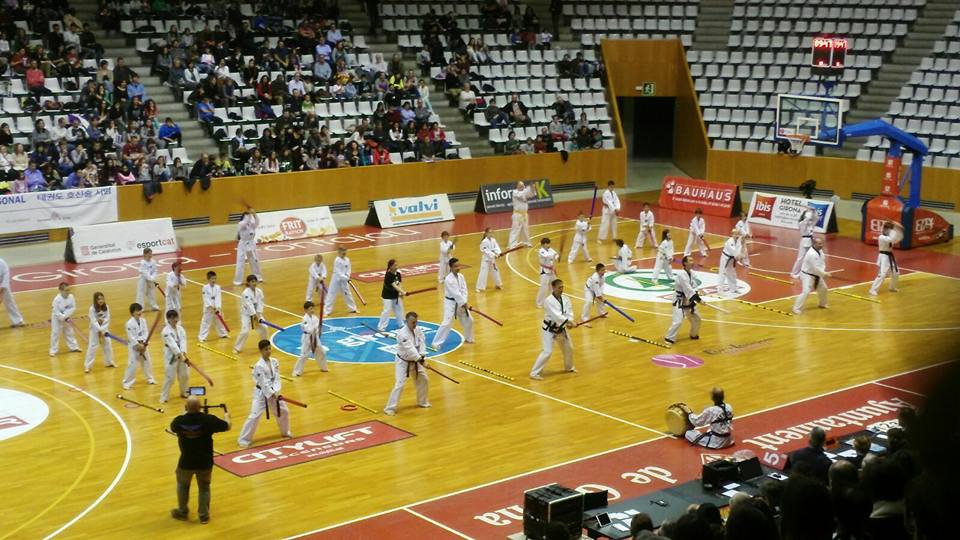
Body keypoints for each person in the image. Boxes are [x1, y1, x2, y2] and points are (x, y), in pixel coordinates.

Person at [169, 396, 231, 524]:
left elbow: (173, 427)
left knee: (182, 485)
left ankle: (182, 511)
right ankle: (203, 516)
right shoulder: (208, 420)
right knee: (204, 488)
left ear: (186, 407)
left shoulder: (179, 421)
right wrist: (227, 416)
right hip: (205, 462)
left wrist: (185, 412)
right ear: (200, 407)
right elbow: (227, 426)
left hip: (186, 462)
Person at [237, 340, 292, 447]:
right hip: (261, 394)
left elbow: (276, 378)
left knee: (284, 411)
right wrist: (271, 393)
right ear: (261, 351)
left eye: (269, 348)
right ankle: (243, 439)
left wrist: (276, 390)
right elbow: (263, 382)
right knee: (254, 415)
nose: (268, 351)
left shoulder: (275, 361)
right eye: (266, 349)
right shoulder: (258, 366)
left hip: (273, 391)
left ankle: (285, 432)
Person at [384, 311, 430, 415]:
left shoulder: (418, 330)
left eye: (416, 322)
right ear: (407, 321)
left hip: (416, 361)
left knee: (424, 379)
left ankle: (422, 402)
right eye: (413, 322)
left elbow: (422, 342)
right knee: (399, 384)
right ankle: (389, 408)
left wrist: (422, 355)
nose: (415, 325)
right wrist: (421, 361)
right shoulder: (402, 334)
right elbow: (410, 350)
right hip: (403, 362)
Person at [530, 279, 576, 380]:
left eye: (562, 287)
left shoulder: (566, 299)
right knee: (547, 351)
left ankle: (569, 367)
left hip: (561, 328)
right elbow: (557, 316)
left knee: (569, 348)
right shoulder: (548, 301)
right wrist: (568, 322)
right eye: (559, 287)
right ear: (553, 288)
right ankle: (534, 373)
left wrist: (570, 321)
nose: (561, 289)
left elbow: (569, 311)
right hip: (549, 329)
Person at [433, 258, 474, 347]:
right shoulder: (448, 279)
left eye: (459, 265)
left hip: (461, 302)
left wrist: (464, 301)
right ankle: (436, 343)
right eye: (455, 266)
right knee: (447, 323)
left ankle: (468, 338)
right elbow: (455, 293)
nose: (458, 268)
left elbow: (464, 290)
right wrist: (463, 303)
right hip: (450, 303)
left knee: (469, 320)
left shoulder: (461, 276)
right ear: (450, 267)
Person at [664, 256, 702, 345]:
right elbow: (687, 288)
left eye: (693, 260)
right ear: (685, 263)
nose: (693, 262)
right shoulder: (681, 275)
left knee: (697, 319)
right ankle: (669, 338)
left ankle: (693, 334)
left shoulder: (692, 273)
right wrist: (698, 299)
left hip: (689, 299)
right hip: (680, 300)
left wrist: (697, 296)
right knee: (678, 321)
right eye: (690, 260)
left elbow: (694, 286)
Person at [792, 237, 832, 315]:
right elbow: (815, 268)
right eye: (819, 244)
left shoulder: (820, 251)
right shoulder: (811, 254)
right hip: (807, 275)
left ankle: (822, 304)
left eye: (822, 243)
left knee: (823, 288)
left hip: (816, 274)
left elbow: (821, 263)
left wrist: (823, 272)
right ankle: (795, 308)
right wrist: (824, 274)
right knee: (806, 291)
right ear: (814, 244)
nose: (821, 245)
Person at [123, 302, 157, 389]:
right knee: (132, 365)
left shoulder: (143, 321)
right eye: (137, 311)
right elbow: (131, 337)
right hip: (134, 347)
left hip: (143, 345)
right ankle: (127, 383)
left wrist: (145, 344)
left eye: (140, 310)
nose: (139, 312)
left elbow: (146, 333)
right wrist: (138, 345)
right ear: (132, 313)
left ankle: (150, 378)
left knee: (147, 362)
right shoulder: (129, 323)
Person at [160, 309, 189, 404]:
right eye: (172, 318)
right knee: (170, 378)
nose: (174, 319)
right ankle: (164, 397)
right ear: (168, 319)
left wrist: (184, 353)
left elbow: (183, 341)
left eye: (176, 317)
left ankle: (184, 392)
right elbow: (172, 345)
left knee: (184, 375)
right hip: (171, 357)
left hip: (182, 356)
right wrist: (180, 354)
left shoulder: (181, 329)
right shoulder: (165, 331)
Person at [234, 274, 267, 353]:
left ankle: (264, 346)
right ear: (248, 283)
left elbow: (260, 303)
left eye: (255, 281)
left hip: (257, 314)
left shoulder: (259, 291)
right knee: (245, 331)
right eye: (252, 282)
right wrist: (254, 315)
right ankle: (236, 348)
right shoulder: (245, 293)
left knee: (264, 327)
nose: (254, 283)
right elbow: (249, 305)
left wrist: (258, 314)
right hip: (246, 315)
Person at [869, 221, 903, 296]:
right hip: (883, 257)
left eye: (890, 229)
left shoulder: (891, 235)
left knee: (896, 273)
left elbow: (899, 238)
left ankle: (892, 287)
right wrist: (896, 229)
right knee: (882, 274)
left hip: (890, 256)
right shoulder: (881, 237)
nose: (889, 231)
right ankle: (872, 290)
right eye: (889, 229)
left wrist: (899, 228)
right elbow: (890, 239)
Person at [84, 292, 116, 372]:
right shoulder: (92, 309)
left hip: (104, 329)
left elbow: (107, 319)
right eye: (99, 299)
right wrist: (99, 330)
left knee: (108, 345)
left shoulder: (106, 307)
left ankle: (109, 362)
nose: (101, 300)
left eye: (102, 298)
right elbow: (94, 321)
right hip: (94, 330)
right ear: (95, 300)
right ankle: (88, 366)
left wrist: (103, 329)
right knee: (93, 347)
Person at [293, 301, 326, 376]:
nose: (312, 310)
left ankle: (323, 367)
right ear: (306, 310)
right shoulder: (304, 319)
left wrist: (319, 329)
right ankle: (297, 372)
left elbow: (317, 328)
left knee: (321, 352)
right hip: (307, 338)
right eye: (310, 309)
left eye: (313, 308)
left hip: (315, 337)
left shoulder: (315, 318)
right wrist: (315, 329)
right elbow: (308, 329)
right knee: (304, 355)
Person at [375, 259, 407, 331]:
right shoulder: (388, 275)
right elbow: (394, 286)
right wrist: (402, 292)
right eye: (395, 265)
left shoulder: (398, 274)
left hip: (395, 295)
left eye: (397, 265)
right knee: (387, 310)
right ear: (390, 266)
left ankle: (401, 324)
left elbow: (399, 284)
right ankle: (381, 326)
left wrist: (400, 292)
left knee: (399, 309)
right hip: (387, 296)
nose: (397, 267)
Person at [324, 247, 358, 315]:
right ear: (339, 252)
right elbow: (338, 272)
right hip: (336, 280)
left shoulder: (347, 259)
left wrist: (348, 275)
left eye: (345, 252)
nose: (344, 253)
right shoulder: (337, 260)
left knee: (348, 294)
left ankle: (353, 309)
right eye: (342, 252)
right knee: (331, 294)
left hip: (345, 280)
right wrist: (345, 277)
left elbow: (349, 269)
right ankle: (326, 312)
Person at [49, 282, 80, 356]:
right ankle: (53, 350)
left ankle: (74, 347)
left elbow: (73, 307)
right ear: (61, 290)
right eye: (66, 290)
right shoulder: (56, 300)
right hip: (57, 319)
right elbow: (56, 311)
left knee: (69, 332)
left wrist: (66, 315)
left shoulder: (71, 297)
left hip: (67, 317)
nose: (68, 292)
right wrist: (62, 317)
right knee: (55, 333)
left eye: (69, 290)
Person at [790, 206, 821, 278]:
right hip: (804, 240)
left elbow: (816, 219)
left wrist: (814, 211)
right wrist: (809, 212)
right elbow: (806, 220)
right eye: (808, 215)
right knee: (800, 258)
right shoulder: (801, 223)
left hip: (811, 240)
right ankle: (793, 273)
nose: (810, 218)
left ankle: (806, 272)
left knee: (810, 257)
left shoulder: (810, 223)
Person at [232, 208, 261, 286]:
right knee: (240, 262)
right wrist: (249, 214)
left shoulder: (251, 224)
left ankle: (258, 277)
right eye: (247, 216)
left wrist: (254, 214)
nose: (248, 217)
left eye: (249, 216)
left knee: (254, 261)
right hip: (243, 244)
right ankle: (238, 280)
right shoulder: (241, 224)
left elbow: (257, 223)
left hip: (251, 243)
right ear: (244, 217)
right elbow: (245, 222)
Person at [198, 271, 228, 342]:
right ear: (208, 279)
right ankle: (202, 337)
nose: (214, 280)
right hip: (208, 309)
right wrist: (211, 307)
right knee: (206, 322)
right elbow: (206, 298)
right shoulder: (205, 288)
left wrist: (217, 307)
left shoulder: (218, 287)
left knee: (220, 321)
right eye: (212, 279)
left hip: (217, 308)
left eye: (215, 279)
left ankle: (223, 334)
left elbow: (218, 297)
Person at [507, 181, 536, 249]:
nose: (522, 187)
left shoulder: (525, 191)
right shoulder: (515, 192)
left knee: (525, 229)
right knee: (515, 229)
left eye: (523, 186)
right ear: (517, 186)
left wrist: (532, 188)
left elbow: (532, 194)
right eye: (520, 186)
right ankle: (512, 245)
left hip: (524, 214)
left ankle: (527, 242)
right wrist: (529, 188)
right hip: (517, 214)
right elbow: (522, 194)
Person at [717, 228, 743, 296]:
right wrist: (738, 257)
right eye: (735, 234)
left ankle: (733, 288)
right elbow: (733, 251)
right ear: (732, 234)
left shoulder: (738, 241)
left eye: (737, 234)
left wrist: (739, 255)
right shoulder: (729, 241)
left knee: (732, 273)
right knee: (722, 273)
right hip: (725, 258)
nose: (737, 235)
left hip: (732, 259)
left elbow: (739, 249)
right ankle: (720, 290)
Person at [0, 257, 25, 327]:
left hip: (2, 283)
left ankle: (18, 321)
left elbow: (6, 278)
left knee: (9, 302)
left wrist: (1, 293)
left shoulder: (2, 263)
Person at [536, 237, 559, 308]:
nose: (548, 245)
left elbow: (555, 254)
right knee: (543, 288)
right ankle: (539, 303)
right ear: (543, 244)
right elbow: (547, 256)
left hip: (551, 271)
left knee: (554, 286)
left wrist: (558, 257)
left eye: (549, 243)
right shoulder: (541, 251)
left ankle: (553, 301)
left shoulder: (550, 249)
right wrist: (555, 255)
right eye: (547, 244)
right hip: (544, 272)